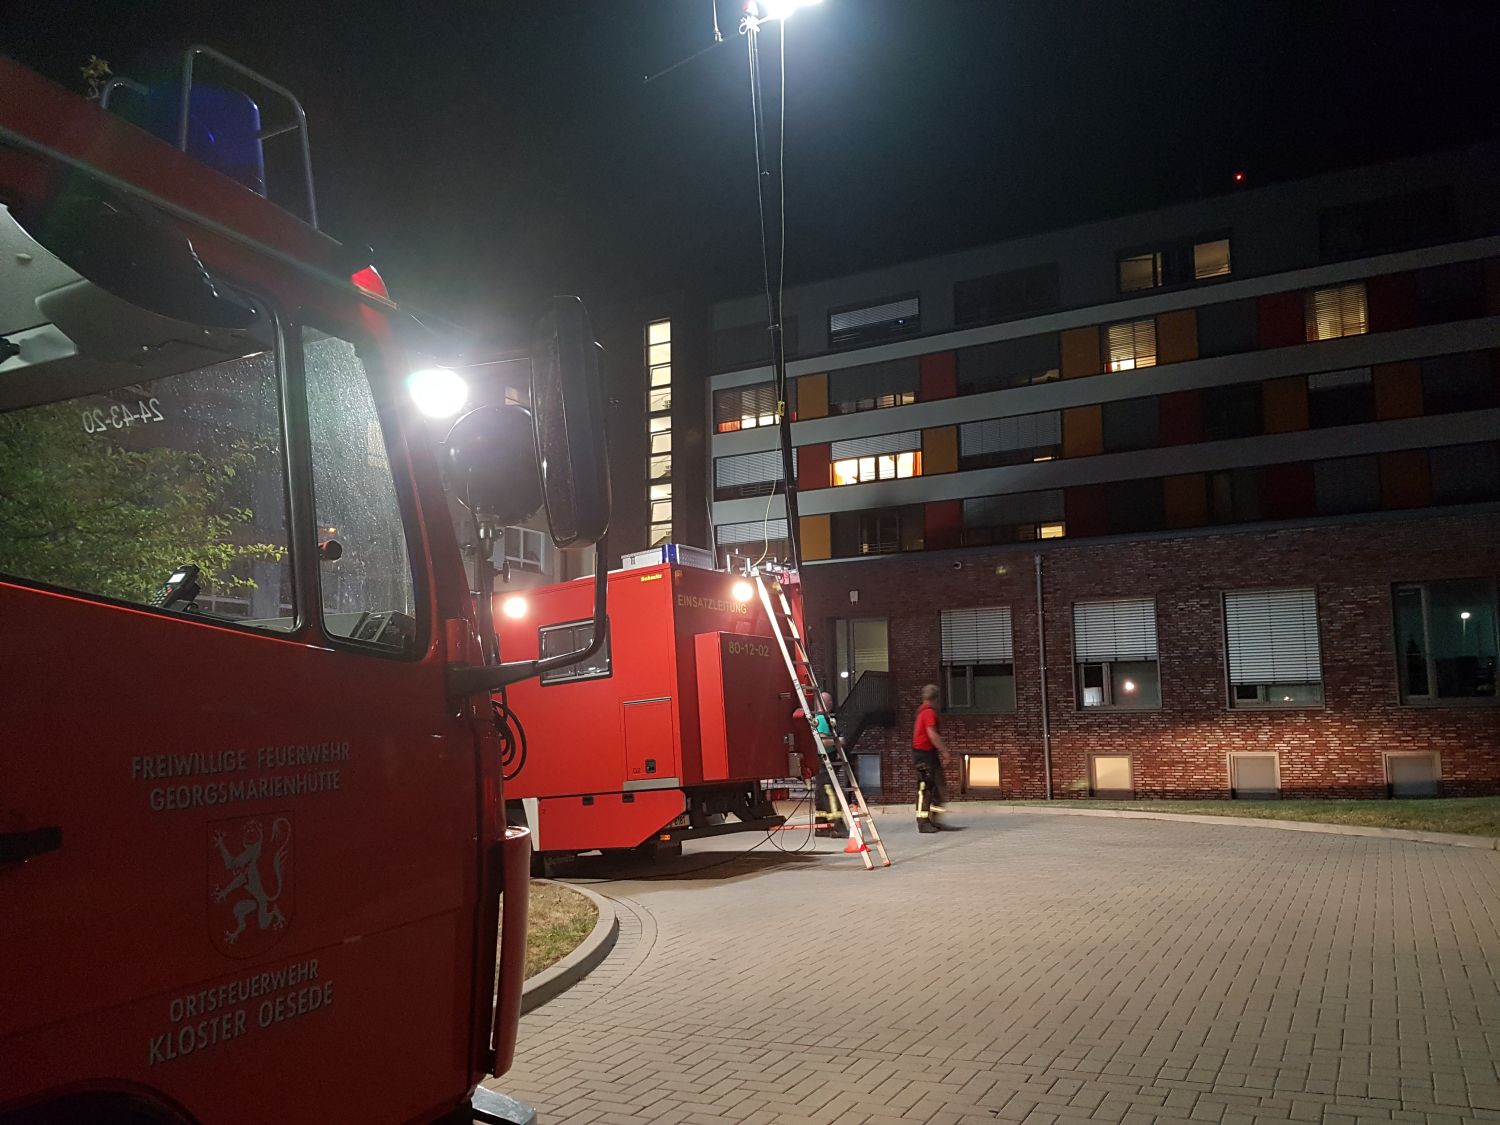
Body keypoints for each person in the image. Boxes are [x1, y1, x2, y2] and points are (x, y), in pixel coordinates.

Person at [912, 683, 950, 833]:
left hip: (926, 753)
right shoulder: (928, 713)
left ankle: (933, 820)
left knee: (936, 788)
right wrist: (945, 752)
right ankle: (923, 822)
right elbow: (932, 734)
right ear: (936, 698)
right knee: (925, 788)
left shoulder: (922, 711)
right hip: (924, 754)